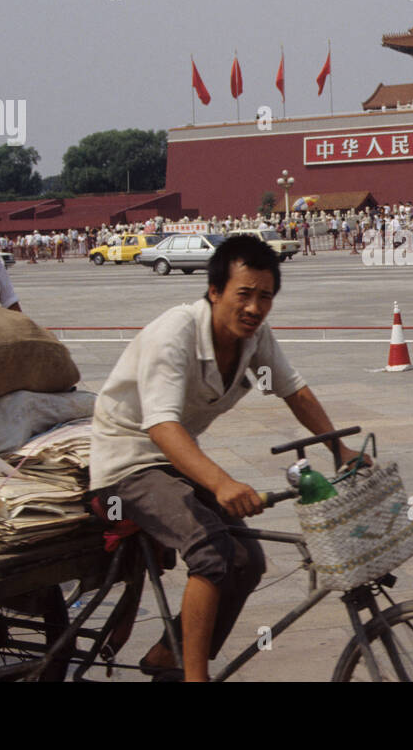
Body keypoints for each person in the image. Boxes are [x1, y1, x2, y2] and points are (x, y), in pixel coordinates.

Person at [89, 236, 362, 682]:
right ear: (214, 291)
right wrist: (221, 483)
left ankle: (168, 652)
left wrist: (339, 447)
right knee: (212, 552)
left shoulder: (253, 340)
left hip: (173, 459)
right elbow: (161, 426)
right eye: (244, 294)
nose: (254, 307)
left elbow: (293, 389)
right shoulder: (174, 333)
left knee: (248, 560)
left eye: (265, 296)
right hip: (127, 462)